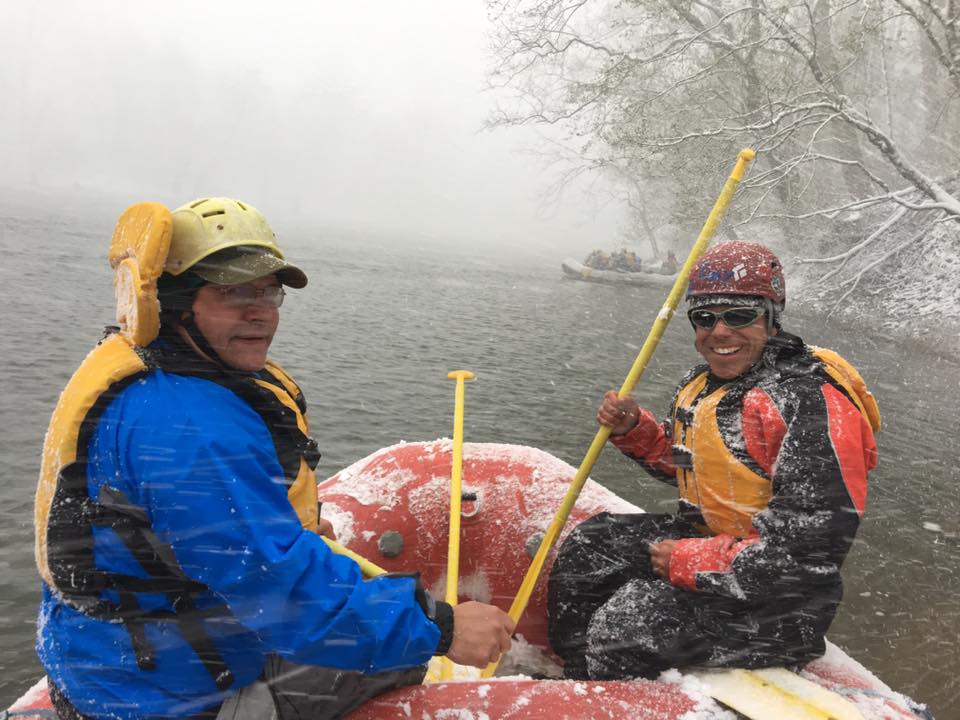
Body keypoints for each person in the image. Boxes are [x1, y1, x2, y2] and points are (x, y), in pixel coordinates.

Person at [34, 198, 514, 720]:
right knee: (398, 661)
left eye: (268, 291)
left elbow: (208, 542)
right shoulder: (190, 428)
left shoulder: (157, 384)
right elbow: (277, 593)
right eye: (233, 291)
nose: (260, 310)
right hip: (168, 695)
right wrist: (441, 627)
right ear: (175, 303)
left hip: (116, 662)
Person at [547, 241, 880, 680]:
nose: (719, 332)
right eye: (704, 318)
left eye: (739, 316)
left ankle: (608, 686)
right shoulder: (705, 384)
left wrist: (691, 560)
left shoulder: (808, 403)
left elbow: (809, 552)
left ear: (771, 317)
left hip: (784, 603)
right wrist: (636, 431)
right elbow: (704, 472)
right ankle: (576, 673)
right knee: (593, 546)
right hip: (713, 543)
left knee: (631, 622)